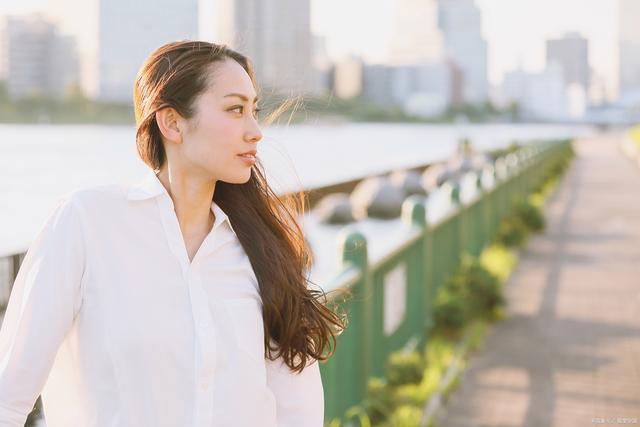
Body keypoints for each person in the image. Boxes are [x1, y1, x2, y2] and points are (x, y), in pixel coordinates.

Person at [0, 40, 344, 427]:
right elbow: (8, 396)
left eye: (254, 111)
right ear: (172, 123)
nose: (255, 131)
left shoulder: (264, 253)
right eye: (235, 109)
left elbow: (298, 413)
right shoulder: (86, 223)